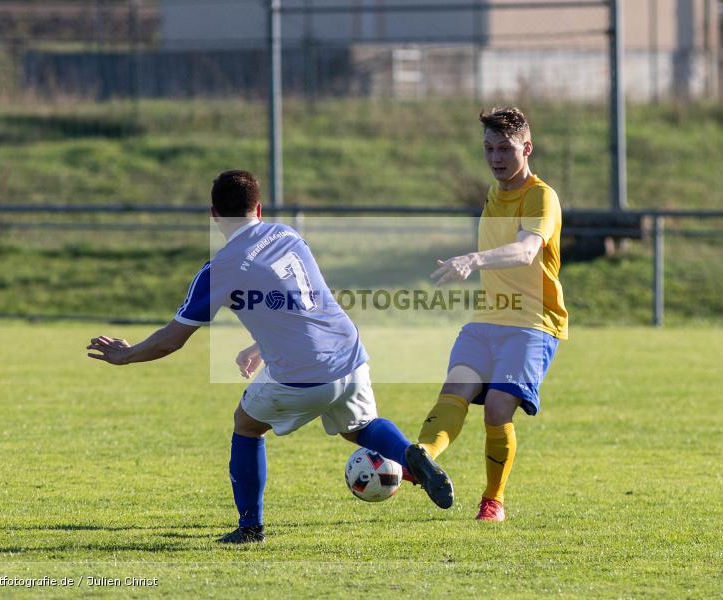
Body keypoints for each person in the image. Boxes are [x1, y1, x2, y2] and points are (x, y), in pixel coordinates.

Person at [87, 170, 453, 544]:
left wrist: (126, 355)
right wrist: (259, 347)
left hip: (305, 372)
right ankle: (410, 454)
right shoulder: (286, 235)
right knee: (359, 427)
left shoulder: (220, 268)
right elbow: (299, 304)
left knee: (247, 424)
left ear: (214, 215)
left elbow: (171, 341)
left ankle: (250, 528)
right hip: (349, 353)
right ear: (259, 209)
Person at [419, 107, 567, 522]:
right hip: (487, 319)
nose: (496, 158)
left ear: (527, 148)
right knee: (455, 390)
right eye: (488, 149)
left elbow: (525, 251)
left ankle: (493, 501)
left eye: (505, 149)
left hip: (532, 322)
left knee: (498, 409)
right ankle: (422, 457)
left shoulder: (541, 196)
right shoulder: (493, 192)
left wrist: (473, 259)